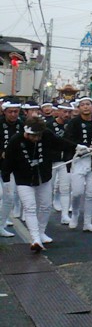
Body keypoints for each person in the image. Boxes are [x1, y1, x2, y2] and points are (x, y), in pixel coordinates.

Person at [3, 116, 85, 252]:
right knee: (30, 207)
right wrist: (6, 180)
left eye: (38, 135)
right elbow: (8, 161)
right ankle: (35, 238)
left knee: (46, 206)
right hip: (23, 179)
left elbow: (60, 142)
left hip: (44, 176)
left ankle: (41, 232)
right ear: (27, 132)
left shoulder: (46, 135)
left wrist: (77, 147)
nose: (36, 138)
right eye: (34, 135)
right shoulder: (16, 140)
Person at [65, 96, 92, 232]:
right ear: (78, 108)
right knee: (77, 192)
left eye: (88, 104)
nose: (86, 107)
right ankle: (75, 215)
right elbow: (67, 140)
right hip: (78, 160)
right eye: (83, 104)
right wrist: (79, 147)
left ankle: (87, 222)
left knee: (91, 193)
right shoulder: (73, 123)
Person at [0, 99, 24, 237]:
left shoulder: (21, 124)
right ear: (4, 111)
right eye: (10, 112)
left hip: (11, 167)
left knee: (9, 197)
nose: (13, 114)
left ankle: (1, 225)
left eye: (16, 111)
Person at [49, 104, 73, 225]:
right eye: (64, 112)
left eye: (69, 112)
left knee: (65, 188)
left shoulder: (71, 125)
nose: (67, 115)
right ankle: (45, 212)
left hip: (66, 161)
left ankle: (65, 215)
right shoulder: (49, 125)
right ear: (58, 111)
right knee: (48, 187)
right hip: (52, 161)